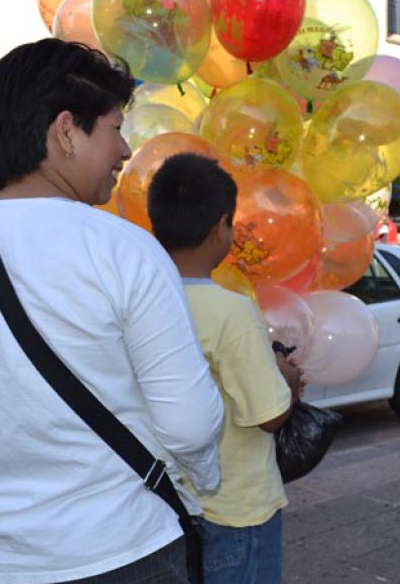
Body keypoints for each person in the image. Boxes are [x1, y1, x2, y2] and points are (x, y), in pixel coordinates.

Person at [0, 39, 225, 583]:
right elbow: (188, 424)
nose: (124, 150)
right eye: (116, 127)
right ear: (66, 130)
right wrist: (201, 480)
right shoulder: (126, 249)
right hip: (117, 550)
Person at [148, 153, 303, 584]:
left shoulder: (142, 301)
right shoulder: (231, 311)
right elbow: (269, 415)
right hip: (238, 510)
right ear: (221, 229)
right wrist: (286, 376)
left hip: (166, 506)